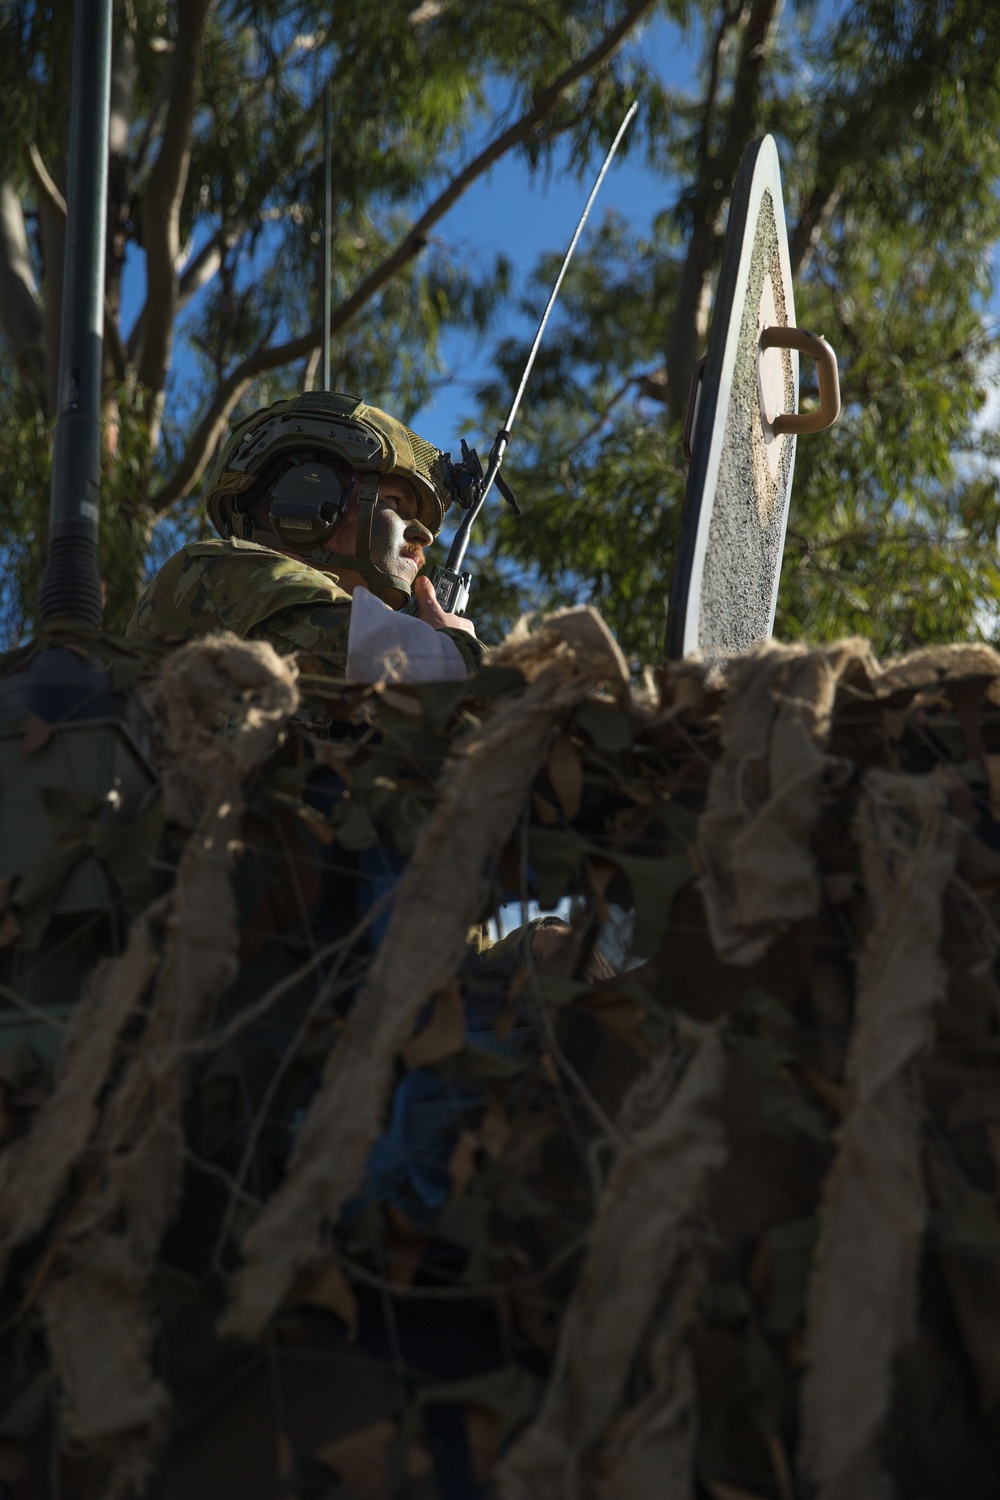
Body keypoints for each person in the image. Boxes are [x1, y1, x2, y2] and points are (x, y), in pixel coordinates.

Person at [126, 389, 484, 682]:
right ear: (311, 495)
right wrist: (458, 646)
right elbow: (399, 666)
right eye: (396, 502)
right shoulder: (216, 572)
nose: (425, 536)